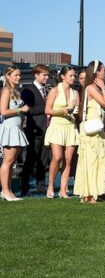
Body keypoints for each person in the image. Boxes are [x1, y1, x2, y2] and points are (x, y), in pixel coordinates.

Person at [73, 60, 105, 204]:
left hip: (99, 128)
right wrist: (103, 88)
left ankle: (97, 189)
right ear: (97, 72)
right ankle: (88, 194)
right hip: (90, 130)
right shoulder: (91, 88)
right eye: (104, 70)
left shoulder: (94, 87)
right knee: (90, 162)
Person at [44, 66, 79, 198]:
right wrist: (61, 111)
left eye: (74, 76)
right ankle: (51, 185)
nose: (73, 78)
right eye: (70, 75)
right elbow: (47, 110)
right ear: (63, 76)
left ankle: (63, 189)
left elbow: (76, 111)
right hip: (57, 126)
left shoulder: (75, 93)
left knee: (68, 160)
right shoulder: (54, 91)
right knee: (57, 157)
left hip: (70, 126)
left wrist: (76, 109)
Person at [20, 64, 51, 196]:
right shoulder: (28, 90)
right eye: (44, 75)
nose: (47, 77)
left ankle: (41, 185)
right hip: (34, 130)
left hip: (46, 129)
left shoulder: (46, 90)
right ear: (36, 75)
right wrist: (46, 109)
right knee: (31, 159)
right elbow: (28, 109)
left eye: (47, 75)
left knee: (43, 160)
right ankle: (24, 187)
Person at [0, 66, 30, 201]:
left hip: (17, 129)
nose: (18, 77)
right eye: (16, 75)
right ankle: (5, 191)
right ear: (8, 76)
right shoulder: (6, 91)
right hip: (10, 129)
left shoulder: (16, 92)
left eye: (19, 75)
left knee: (11, 162)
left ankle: (9, 191)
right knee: (7, 161)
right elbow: (3, 111)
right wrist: (20, 110)